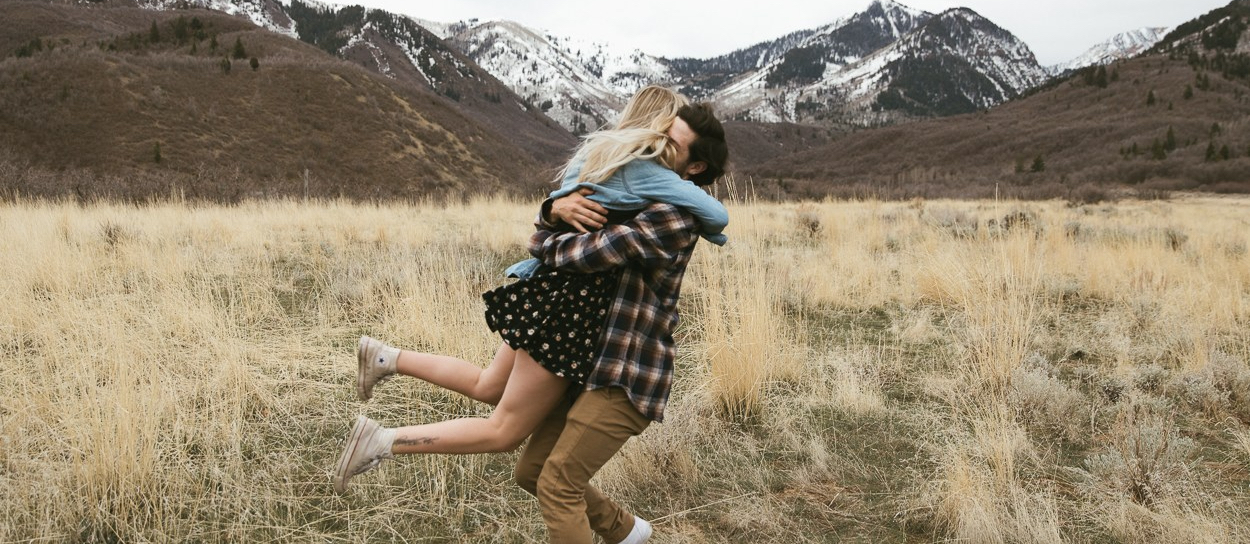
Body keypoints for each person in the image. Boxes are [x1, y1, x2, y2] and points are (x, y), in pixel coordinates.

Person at [331, 92, 729, 542]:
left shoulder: (674, 214)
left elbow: (582, 252)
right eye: (656, 133)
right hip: (587, 349)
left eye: (669, 142)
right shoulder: (630, 188)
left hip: (623, 369)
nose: (655, 144)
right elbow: (561, 221)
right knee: (529, 466)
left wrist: (547, 235)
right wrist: (553, 210)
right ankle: (628, 533)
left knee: (545, 471)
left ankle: (383, 436)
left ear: (695, 167)